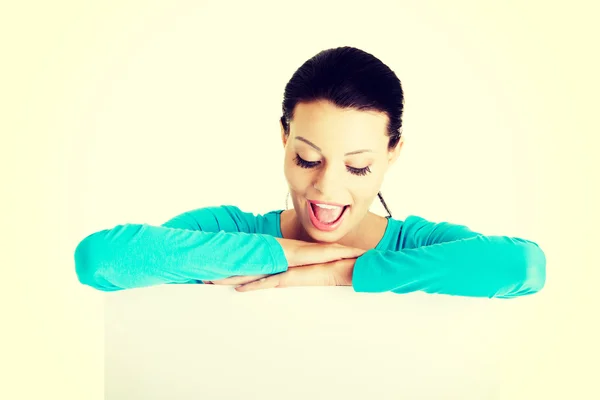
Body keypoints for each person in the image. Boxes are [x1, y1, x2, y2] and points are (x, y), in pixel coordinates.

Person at [74, 46, 546, 298]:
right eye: (307, 159)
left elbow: (523, 267)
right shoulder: (229, 233)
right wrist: (290, 252)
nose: (326, 188)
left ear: (393, 153)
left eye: (358, 166)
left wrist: (337, 273)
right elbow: (100, 261)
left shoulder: (416, 245)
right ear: (284, 138)